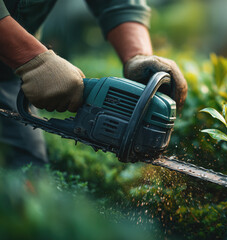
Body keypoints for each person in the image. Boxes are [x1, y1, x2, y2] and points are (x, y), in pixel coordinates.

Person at [0, 0, 187, 167]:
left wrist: (138, 56)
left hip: (8, 74)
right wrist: (32, 61)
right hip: (18, 59)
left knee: (27, 174)